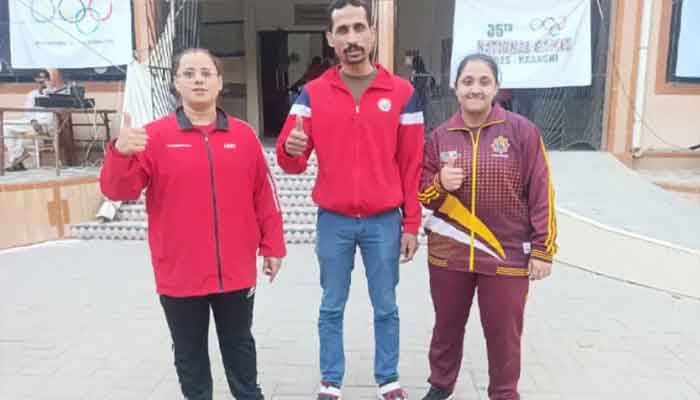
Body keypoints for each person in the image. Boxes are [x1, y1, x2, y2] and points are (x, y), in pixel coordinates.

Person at [100, 48, 286, 400]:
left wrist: (273, 245)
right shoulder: (153, 137)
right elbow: (118, 190)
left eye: (206, 73)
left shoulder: (243, 136)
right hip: (179, 272)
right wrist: (120, 153)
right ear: (176, 83)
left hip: (235, 270)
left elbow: (265, 194)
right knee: (189, 353)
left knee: (240, 346)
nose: (198, 80)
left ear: (220, 82)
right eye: (189, 73)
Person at [276, 1, 424, 399]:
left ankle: (388, 378)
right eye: (342, 30)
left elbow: (411, 165)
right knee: (331, 306)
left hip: (384, 221)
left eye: (359, 28)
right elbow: (292, 162)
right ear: (330, 38)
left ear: (372, 33)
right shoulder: (312, 94)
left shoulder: (402, 93)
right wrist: (290, 149)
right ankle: (331, 379)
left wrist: (411, 223)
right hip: (334, 221)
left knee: (386, 306)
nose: (352, 38)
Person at [417, 53, 558, 400]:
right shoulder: (440, 136)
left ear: (496, 88)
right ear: (455, 87)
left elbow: (542, 191)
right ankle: (440, 384)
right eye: (467, 81)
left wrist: (543, 249)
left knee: (504, 333)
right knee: (447, 326)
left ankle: (504, 392)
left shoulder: (522, 132)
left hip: (505, 253)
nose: (475, 89)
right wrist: (440, 183)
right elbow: (423, 194)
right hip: (449, 252)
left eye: (484, 82)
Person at [3, 69, 56, 171]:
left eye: (44, 78)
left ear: (48, 79)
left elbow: (55, 110)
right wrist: (33, 121)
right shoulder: (32, 94)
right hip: (31, 123)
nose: (41, 80)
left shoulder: (54, 93)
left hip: (46, 124)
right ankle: (19, 156)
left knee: (10, 130)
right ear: (36, 80)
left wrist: (47, 88)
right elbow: (28, 111)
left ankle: (17, 159)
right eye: (39, 78)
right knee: (5, 126)